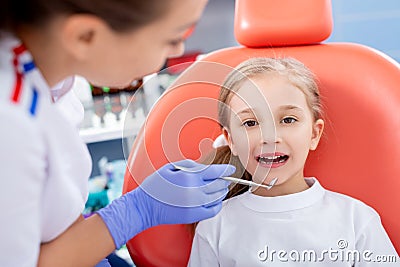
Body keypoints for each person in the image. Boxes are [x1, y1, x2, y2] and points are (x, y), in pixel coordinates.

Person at [0, 1, 236, 266]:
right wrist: (136, 211)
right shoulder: (11, 125)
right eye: (171, 38)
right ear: (85, 36)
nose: (179, 50)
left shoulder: (50, 74)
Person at [188, 57, 398, 266]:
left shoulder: (356, 219)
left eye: (288, 120)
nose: (269, 137)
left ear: (314, 134)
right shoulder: (215, 225)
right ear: (231, 140)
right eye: (250, 123)